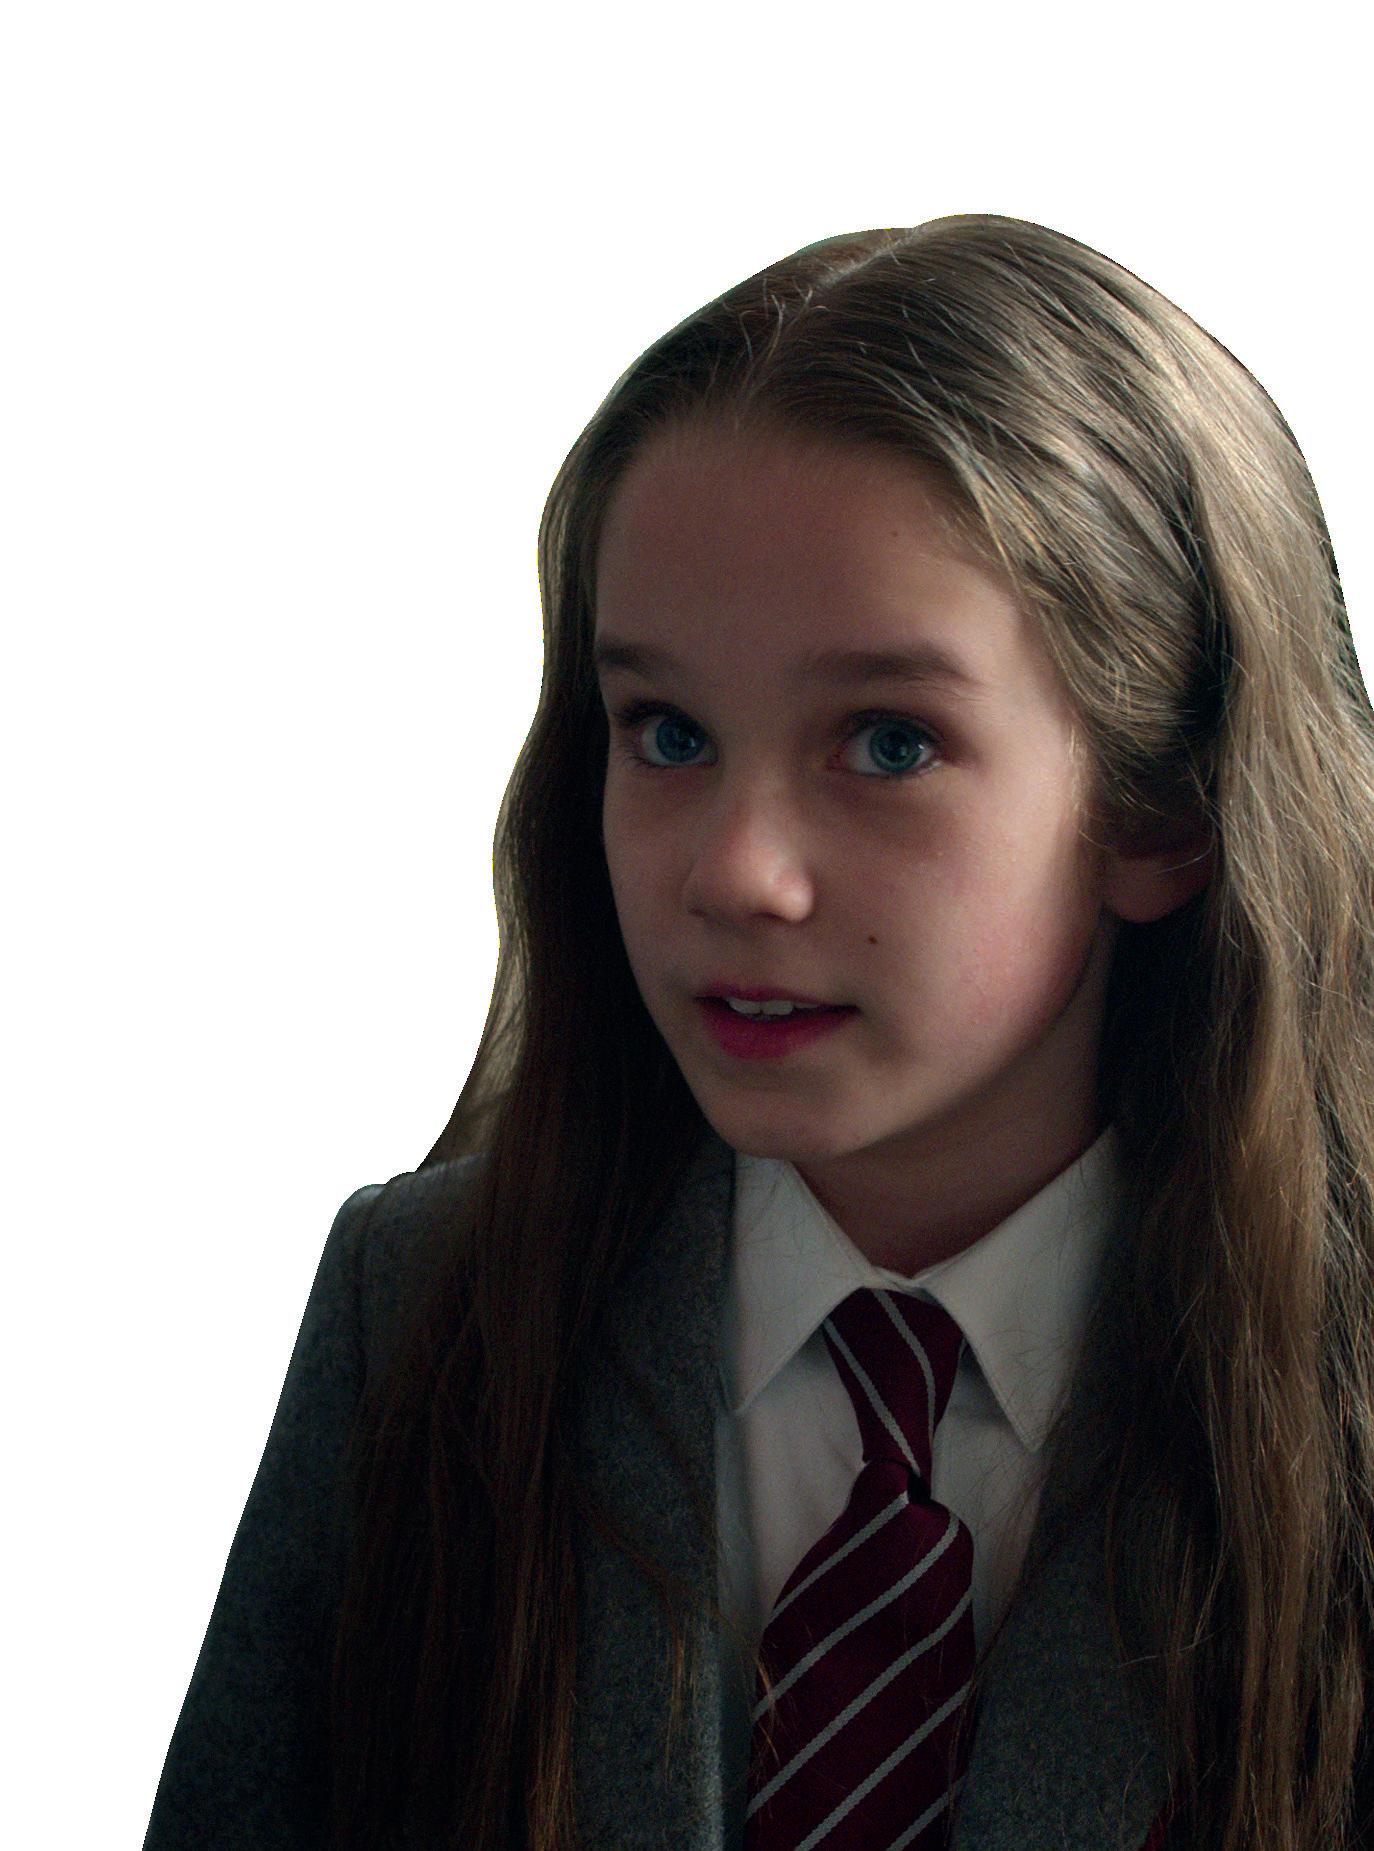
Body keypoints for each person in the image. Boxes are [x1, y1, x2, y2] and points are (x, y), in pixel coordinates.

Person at [142, 215, 1374, 1851]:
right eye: (664, 732)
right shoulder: (429, 1311)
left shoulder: (1340, 1390)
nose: (731, 872)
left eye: (887, 742)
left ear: (1163, 808)